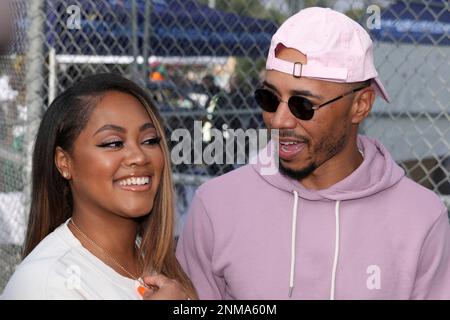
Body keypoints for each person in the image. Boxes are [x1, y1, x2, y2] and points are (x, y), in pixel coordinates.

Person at [176, 7, 450, 299]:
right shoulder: (216, 206)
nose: (279, 120)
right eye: (269, 98)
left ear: (360, 105)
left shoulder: (421, 218)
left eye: (302, 105)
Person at [1, 73, 197, 299]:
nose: (139, 157)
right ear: (65, 163)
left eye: (150, 140)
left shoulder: (156, 262)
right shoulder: (44, 284)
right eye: (113, 143)